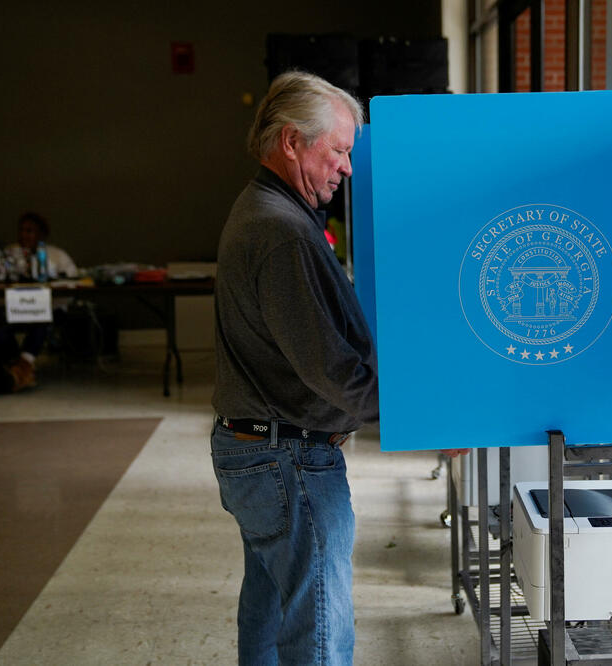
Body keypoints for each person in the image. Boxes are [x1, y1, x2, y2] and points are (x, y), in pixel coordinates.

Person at [210, 71, 377, 666]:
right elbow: (329, 367)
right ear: (291, 141)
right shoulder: (281, 231)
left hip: (262, 451)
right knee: (318, 633)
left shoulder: (268, 210)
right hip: (290, 460)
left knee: (272, 611)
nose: (347, 167)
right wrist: (421, 420)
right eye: (339, 150)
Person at [0, 212, 79, 390]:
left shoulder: (56, 255)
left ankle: (23, 366)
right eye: (21, 230)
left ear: (41, 234)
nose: (24, 235)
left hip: (49, 308)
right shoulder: (10, 254)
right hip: (17, 308)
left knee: (41, 319)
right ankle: (17, 365)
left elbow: (72, 283)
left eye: (30, 231)